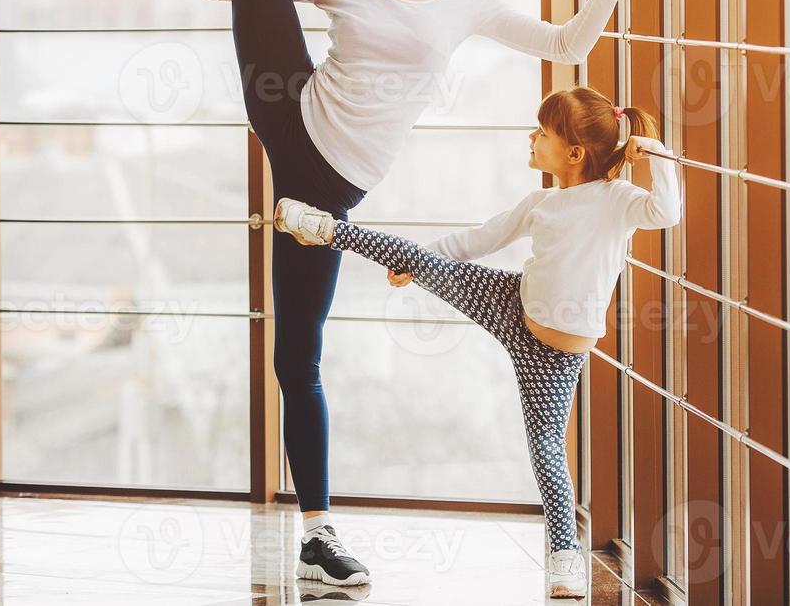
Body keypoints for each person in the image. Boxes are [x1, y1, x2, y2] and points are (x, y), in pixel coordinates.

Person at [161, 0, 653, 586]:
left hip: (331, 188)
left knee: (296, 353)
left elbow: (567, 46)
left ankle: (314, 539)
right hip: (294, 120)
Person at [274, 86, 681, 597]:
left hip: (554, 358)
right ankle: (326, 229)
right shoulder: (541, 203)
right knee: (414, 255)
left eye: (543, 133)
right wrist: (420, 263)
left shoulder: (619, 202)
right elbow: (480, 239)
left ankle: (564, 559)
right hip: (511, 304)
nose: (531, 137)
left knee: (547, 452)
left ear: (574, 153)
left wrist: (658, 157)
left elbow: (667, 212)